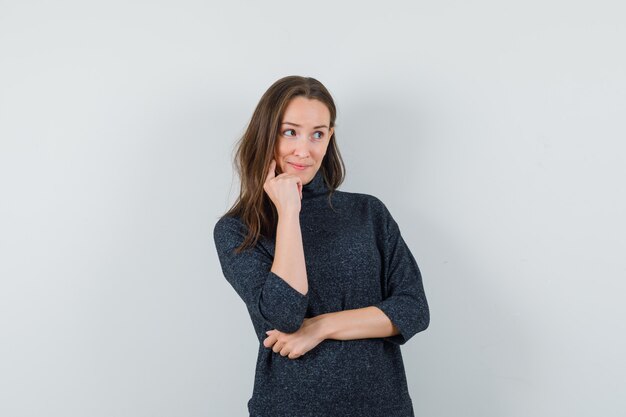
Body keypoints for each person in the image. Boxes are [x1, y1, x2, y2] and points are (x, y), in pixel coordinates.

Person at [213, 75, 430, 417]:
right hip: (291, 407)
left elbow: (413, 309)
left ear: (330, 136)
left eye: (318, 133)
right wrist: (288, 212)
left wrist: (320, 327)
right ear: (267, 134)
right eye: (290, 132)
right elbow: (285, 315)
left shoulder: (367, 212)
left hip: (382, 406)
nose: (305, 149)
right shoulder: (238, 230)